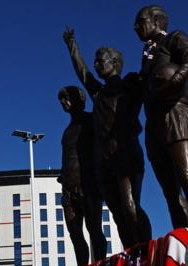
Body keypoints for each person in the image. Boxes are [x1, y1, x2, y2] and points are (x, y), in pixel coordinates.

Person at [62, 27, 152, 248]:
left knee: (130, 206)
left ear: (114, 62)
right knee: (117, 213)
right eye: (95, 61)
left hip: (126, 154)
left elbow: (148, 76)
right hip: (104, 161)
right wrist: (71, 45)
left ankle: (146, 247)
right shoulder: (97, 93)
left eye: (100, 61)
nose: (96, 64)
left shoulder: (129, 86)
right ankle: (131, 252)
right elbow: (82, 71)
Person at [134, 5, 188, 233]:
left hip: (175, 115)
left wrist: (175, 80)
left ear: (156, 20)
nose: (135, 28)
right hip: (153, 123)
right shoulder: (147, 55)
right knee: (170, 191)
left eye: (141, 21)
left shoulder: (173, 39)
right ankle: (183, 240)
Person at [57, 86, 107, 266]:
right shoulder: (66, 131)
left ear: (80, 98)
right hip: (68, 188)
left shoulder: (91, 121)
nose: (64, 102)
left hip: (88, 185)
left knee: (94, 229)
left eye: (66, 98)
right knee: (75, 234)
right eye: (61, 99)